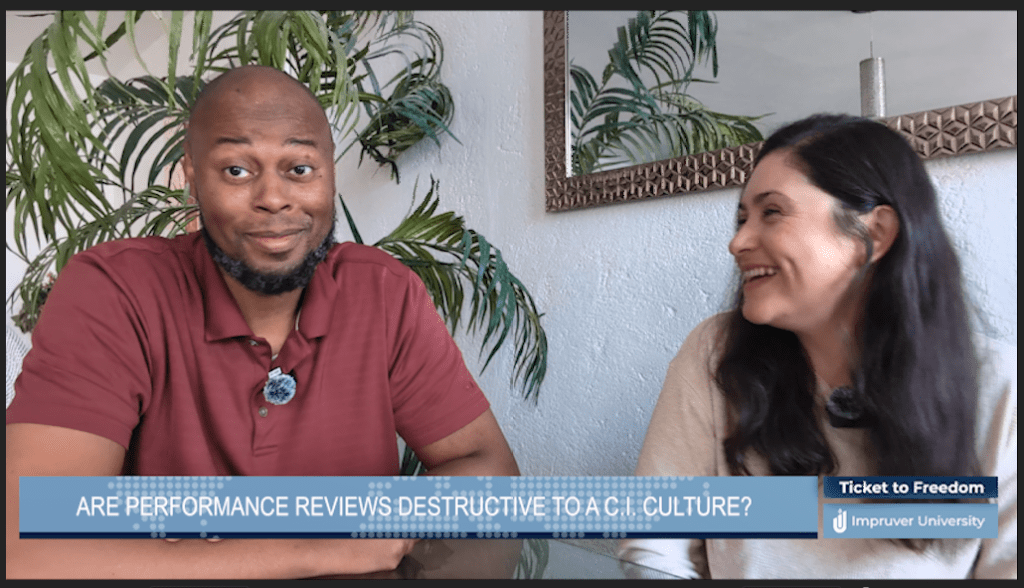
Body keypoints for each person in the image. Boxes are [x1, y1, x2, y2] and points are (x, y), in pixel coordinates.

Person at [6, 65, 519, 579]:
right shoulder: (114, 291)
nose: (274, 198)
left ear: (329, 176)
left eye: (300, 168)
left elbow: (488, 471)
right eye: (236, 170)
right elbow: (25, 545)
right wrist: (318, 548)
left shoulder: (384, 292)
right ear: (192, 179)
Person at [619, 114, 1016, 579]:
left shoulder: (998, 387)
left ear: (873, 234)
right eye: (742, 218)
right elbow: (654, 545)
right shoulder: (715, 353)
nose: (738, 242)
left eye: (772, 212)